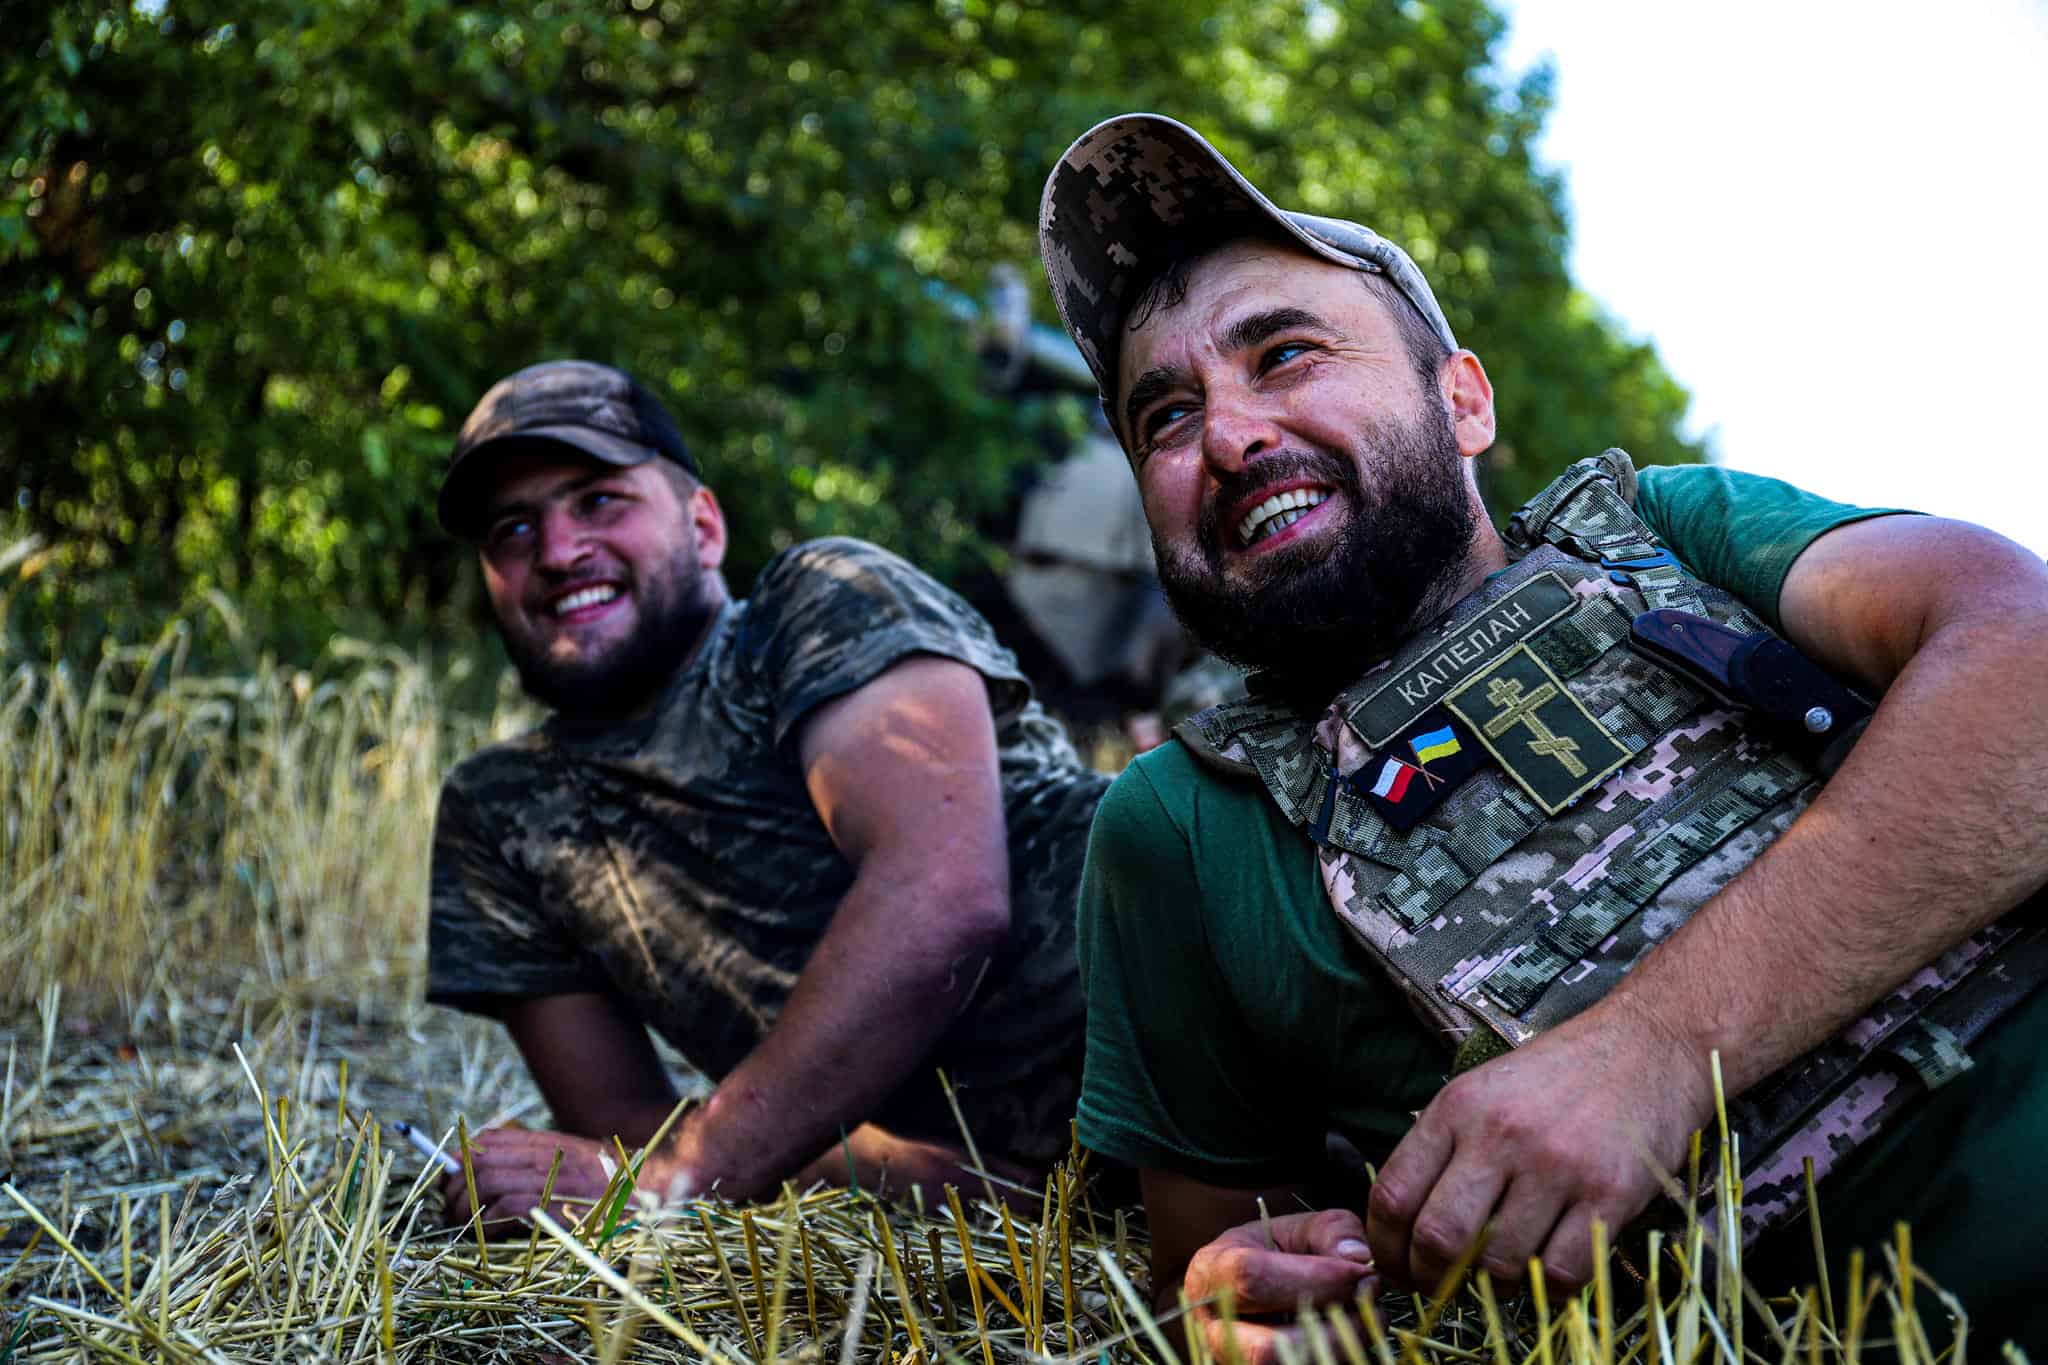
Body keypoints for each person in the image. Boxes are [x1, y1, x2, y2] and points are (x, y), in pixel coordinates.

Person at [1037, 113, 2048, 1356]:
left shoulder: (1673, 530)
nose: (1233, 439)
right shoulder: (1178, 831)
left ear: (1460, 400)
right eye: (1164, 419)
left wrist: (1656, 1050)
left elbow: (2027, 661)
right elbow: (1211, 1268)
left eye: (1285, 355)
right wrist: (1236, 1308)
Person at [425, 360, 1109, 1225]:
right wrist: (952, 1187)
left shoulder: (821, 602)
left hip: (1224, 1003)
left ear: (703, 526)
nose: (558, 552)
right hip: (1094, 1186)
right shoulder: (501, 814)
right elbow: (628, 1131)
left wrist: (670, 1182)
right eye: (512, 530)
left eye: (599, 499)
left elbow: (944, 901)